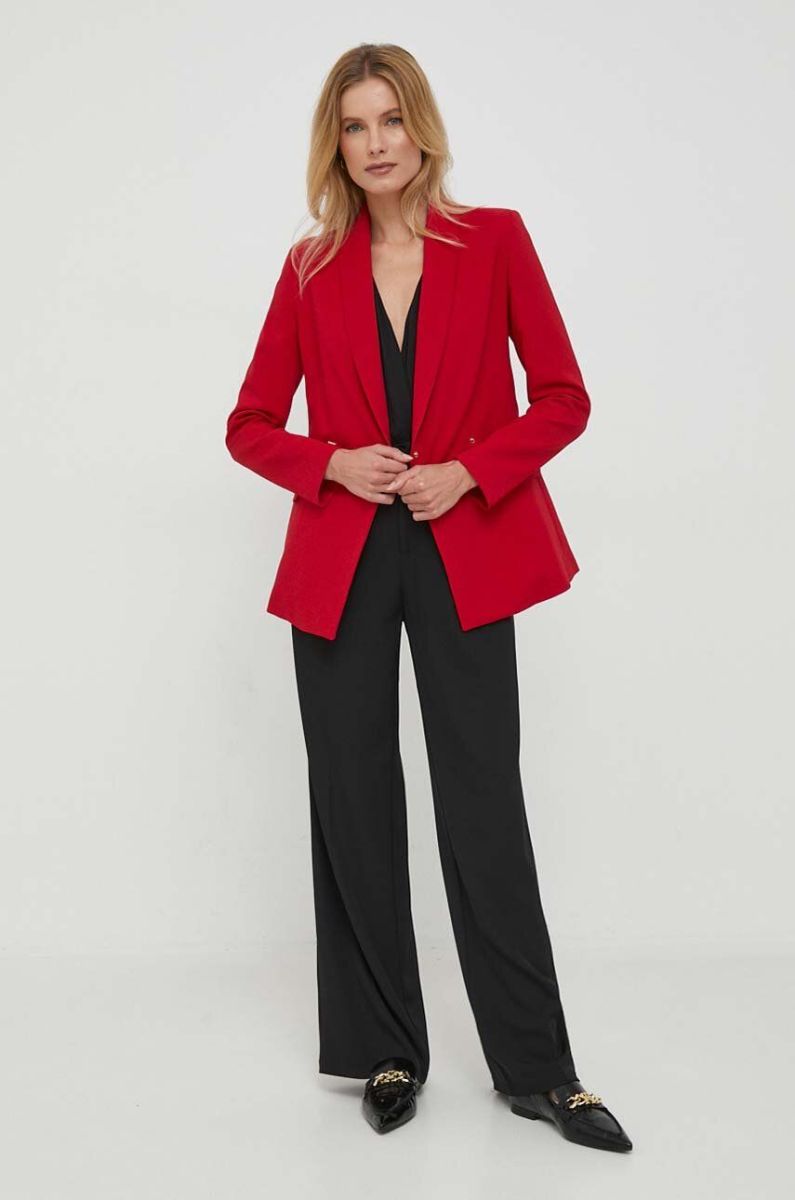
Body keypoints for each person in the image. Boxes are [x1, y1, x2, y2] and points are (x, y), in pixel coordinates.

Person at [225, 43, 632, 1151]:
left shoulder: (492, 240)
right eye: (355, 126)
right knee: (354, 801)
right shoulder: (309, 268)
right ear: (336, 145)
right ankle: (386, 1050)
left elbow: (563, 397)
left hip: (466, 550)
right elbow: (249, 424)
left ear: (422, 127)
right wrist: (329, 462)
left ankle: (540, 1072)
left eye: (391, 119)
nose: (376, 143)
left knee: (482, 800)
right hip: (344, 559)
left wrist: (473, 471)